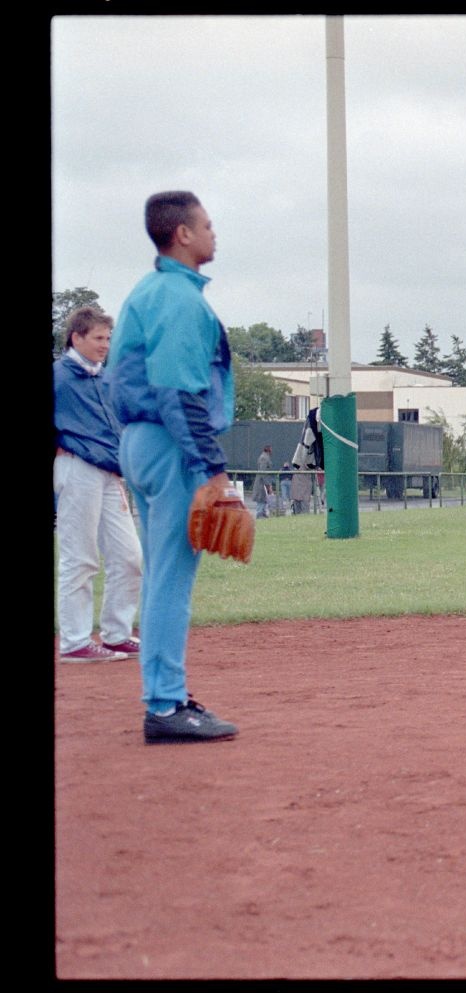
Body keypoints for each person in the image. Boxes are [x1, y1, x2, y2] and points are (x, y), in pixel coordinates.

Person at [106, 190, 239, 743]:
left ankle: (166, 696)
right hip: (170, 442)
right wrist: (211, 469)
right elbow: (177, 391)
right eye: (207, 225)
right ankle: (164, 706)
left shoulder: (149, 290)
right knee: (170, 580)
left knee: (161, 573)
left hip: (140, 442)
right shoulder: (180, 299)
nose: (214, 233)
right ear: (182, 234)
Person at [54, 304, 145, 663]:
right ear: (76, 337)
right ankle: (75, 641)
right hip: (76, 468)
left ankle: (116, 634)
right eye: (98, 337)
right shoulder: (60, 377)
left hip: (109, 472)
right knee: (80, 557)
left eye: (108, 337)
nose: (105, 344)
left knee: (129, 556)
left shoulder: (104, 377)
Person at [253, 445, 273, 518]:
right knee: (261, 501)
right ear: (268, 449)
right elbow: (263, 472)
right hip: (261, 484)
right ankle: (260, 516)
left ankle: (263, 515)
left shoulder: (265, 457)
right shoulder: (264, 458)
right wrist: (268, 485)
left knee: (264, 500)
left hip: (263, 483)